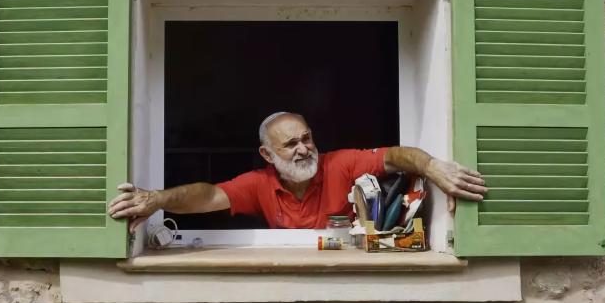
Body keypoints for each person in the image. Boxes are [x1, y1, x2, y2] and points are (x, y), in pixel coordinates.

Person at [108, 112, 487, 232]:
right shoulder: (258, 184)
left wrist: (434, 167)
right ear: (267, 155)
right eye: (290, 144)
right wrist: (156, 200)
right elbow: (207, 195)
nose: (304, 148)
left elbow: (398, 155)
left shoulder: (341, 163)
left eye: (306, 138)